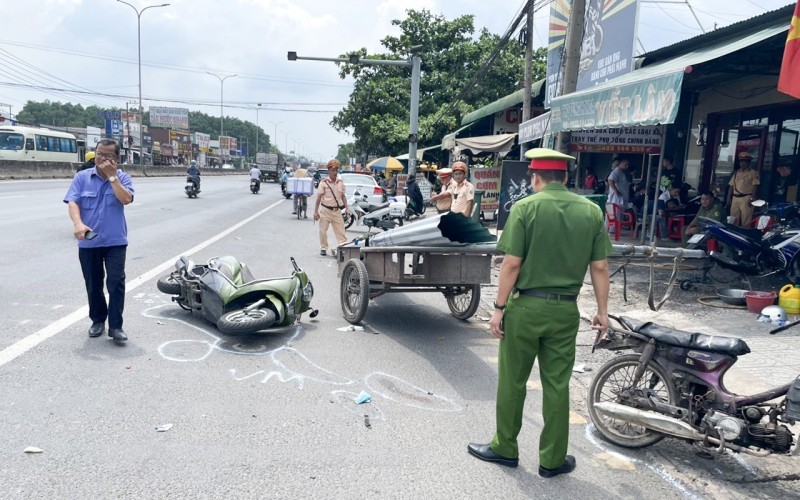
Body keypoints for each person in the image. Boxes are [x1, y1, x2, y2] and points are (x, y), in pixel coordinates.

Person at [468, 148, 611, 477]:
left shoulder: (525, 208)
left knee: (513, 381)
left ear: (535, 178)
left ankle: (505, 447)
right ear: (564, 177)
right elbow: (600, 267)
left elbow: (512, 263)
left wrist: (498, 309)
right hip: (565, 312)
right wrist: (602, 312)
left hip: (525, 308)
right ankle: (552, 460)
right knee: (558, 386)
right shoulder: (591, 212)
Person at [63, 139, 134, 343]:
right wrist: (78, 224)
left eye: (108, 155)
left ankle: (116, 326)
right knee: (93, 284)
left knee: (116, 283)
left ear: (117, 159)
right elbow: (73, 203)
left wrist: (112, 177)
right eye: (99, 154)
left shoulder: (123, 178)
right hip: (89, 239)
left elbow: (126, 199)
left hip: (115, 241)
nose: (102, 158)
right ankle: (97, 320)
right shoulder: (82, 177)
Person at [313, 159, 350, 256]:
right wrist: (316, 212)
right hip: (325, 210)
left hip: (336, 211)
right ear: (328, 171)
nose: (335, 172)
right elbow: (318, 198)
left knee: (341, 230)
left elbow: (343, 196)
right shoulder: (323, 183)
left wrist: (347, 208)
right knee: (323, 231)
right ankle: (323, 248)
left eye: (336, 170)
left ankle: (343, 246)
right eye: (333, 170)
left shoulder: (340, 183)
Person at [727, 151, 760, 226]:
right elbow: (731, 186)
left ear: (749, 163)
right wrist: (729, 198)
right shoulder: (736, 172)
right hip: (735, 198)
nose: (742, 163)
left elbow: (755, 186)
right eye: (741, 161)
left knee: (746, 220)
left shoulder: (753, 172)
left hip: (746, 198)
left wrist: (751, 199)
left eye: (745, 162)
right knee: (733, 220)